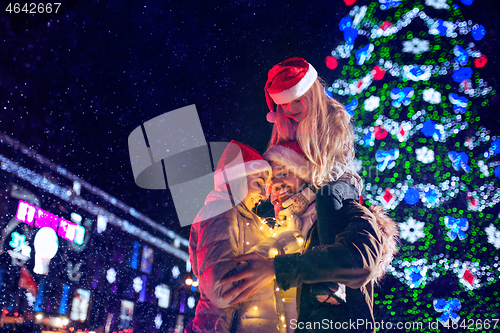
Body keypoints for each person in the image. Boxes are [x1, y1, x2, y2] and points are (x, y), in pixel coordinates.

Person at [186, 140, 305, 333]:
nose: (263, 195)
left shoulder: (244, 218)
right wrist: (282, 242)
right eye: (258, 183)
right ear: (237, 179)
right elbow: (222, 290)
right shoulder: (220, 210)